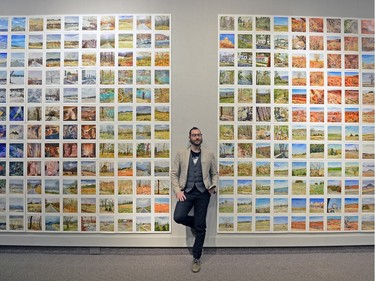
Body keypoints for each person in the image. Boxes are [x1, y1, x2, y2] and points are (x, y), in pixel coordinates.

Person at [172, 127, 218, 273]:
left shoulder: (209, 154)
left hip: (203, 193)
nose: (196, 137)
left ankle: (196, 257)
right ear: (189, 137)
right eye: (194, 135)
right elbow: (174, 174)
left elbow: (215, 173)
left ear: (201, 137)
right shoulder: (181, 153)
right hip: (186, 192)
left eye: (198, 135)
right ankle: (194, 223)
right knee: (178, 216)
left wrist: (213, 187)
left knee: (201, 226)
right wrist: (178, 190)